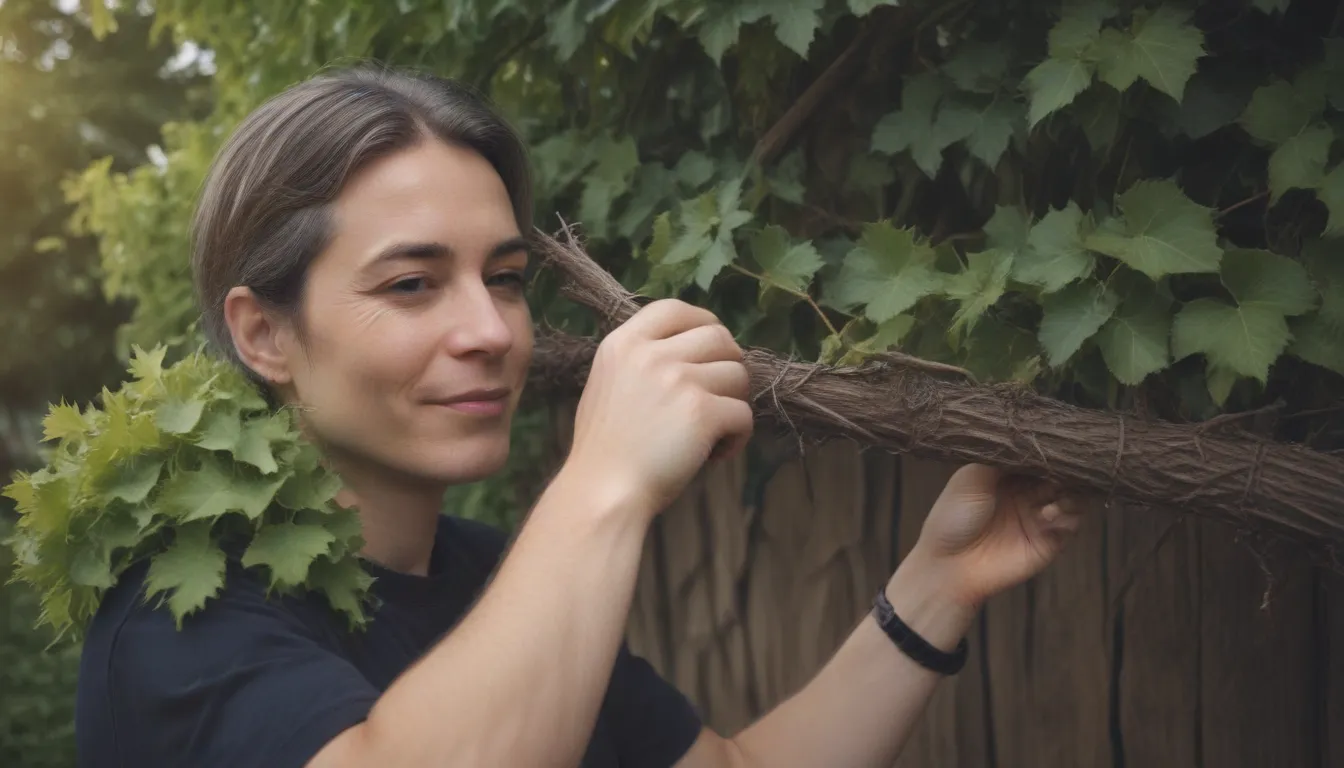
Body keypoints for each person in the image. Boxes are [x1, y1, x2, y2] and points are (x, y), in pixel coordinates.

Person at [74, 64, 1083, 768]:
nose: (491, 329)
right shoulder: (180, 618)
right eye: (414, 284)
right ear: (265, 337)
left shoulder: (491, 574)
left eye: (505, 278)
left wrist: (939, 584)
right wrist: (603, 482)